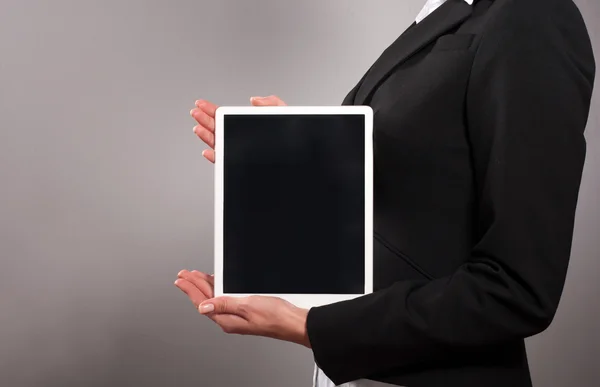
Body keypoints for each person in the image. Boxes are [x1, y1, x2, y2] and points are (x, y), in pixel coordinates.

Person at [174, 0, 596, 386]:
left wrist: (311, 327)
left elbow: (517, 288)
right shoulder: (442, 14)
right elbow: (427, 201)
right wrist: (312, 156)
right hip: (360, 371)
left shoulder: (533, 15)